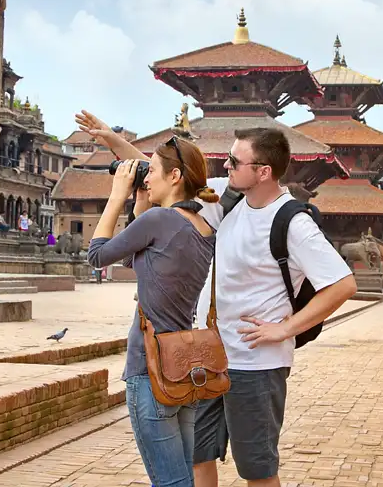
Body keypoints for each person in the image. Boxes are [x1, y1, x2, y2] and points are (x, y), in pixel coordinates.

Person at [76, 110, 357, 487]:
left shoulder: (292, 221)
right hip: (210, 357)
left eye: (234, 161)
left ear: (263, 171)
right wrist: (111, 138)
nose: (225, 165)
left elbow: (342, 285)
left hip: (257, 365)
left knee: (257, 470)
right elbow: (165, 174)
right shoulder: (226, 202)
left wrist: (285, 328)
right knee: (198, 458)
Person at [86, 137, 218, 487]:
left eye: (152, 171)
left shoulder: (160, 220)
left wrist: (117, 194)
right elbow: (138, 259)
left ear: (175, 176)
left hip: (150, 368)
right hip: (185, 368)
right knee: (183, 477)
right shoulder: (204, 228)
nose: (146, 177)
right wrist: (140, 205)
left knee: (170, 482)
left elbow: (98, 256)